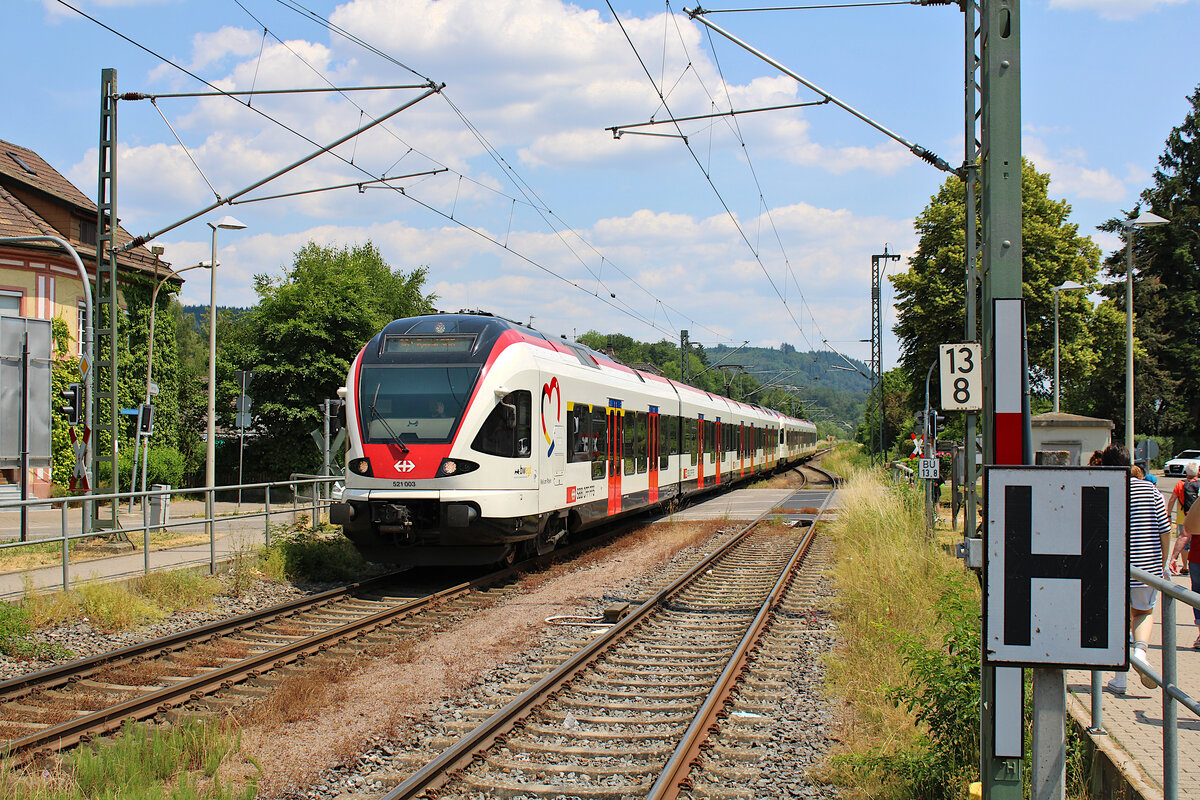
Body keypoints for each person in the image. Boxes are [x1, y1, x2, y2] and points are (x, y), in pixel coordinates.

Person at [1104, 443, 1170, 695]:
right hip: (1147, 566)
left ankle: (1119, 679)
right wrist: (1162, 563)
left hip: (1115, 568)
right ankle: (1140, 653)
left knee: (1118, 622)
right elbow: (1164, 529)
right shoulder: (1151, 490)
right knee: (1143, 612)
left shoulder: (1106, 490)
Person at [1166, 462, 1199, 576]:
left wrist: (1169, 515)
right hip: (1197, 519)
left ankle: (1185, 566)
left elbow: (1172, 500)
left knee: (1184, 540)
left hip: (1183, 517)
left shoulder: (1180, 484)